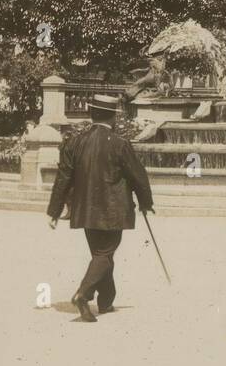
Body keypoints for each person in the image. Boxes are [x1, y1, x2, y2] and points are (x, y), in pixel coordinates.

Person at [46, 94, 154, 322]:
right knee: (105, 254)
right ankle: (82, 294)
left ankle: (106, 301)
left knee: (100, 254)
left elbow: (63, 178)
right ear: (113, 116)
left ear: (91, 113)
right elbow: (138, 176)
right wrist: (146, 202)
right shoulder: (120, 144)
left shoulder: (74, 142)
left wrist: (54, 211)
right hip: (114, 210)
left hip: (85, 209)